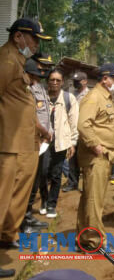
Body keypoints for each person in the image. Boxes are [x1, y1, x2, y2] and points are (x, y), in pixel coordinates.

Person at [0, 18, 51, 278]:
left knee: (16, 197)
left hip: (22, 142)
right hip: (8, 143)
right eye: (33, 39)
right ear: (18, 36)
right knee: (2, 198)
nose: (34, 45)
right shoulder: (7, 60)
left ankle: (8, 235)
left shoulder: (18, 61)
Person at [76, 63, 114, 253]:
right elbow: (83, 125)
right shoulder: (94, 97)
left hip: (103, 157)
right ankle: (95, 241)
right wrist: (96, 146)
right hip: (96, 157)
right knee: (94, 201)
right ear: (105, 79)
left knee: (90, 198)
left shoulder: (105, 97)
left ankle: (83, 237)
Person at [41, 69, 78, 219]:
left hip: (61, 142)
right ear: (48, 81)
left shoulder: (69, 99)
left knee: (56, 175)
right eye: (52, 80)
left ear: (62, 82)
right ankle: (43, 199)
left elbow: (73, 122)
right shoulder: (41, 97)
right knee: (42, 173)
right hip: (42, 142)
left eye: (58, 80)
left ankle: (51, 204)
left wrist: (73, 143)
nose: (55, 82)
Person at [20, 59, 52, 233]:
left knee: (37, 178)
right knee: (27, 182)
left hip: (42, 142)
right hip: (31, 141)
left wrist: (49, 132)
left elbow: (46, 113)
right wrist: (45, 133)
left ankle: (27, 215)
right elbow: (32, 118)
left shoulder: (40, 88)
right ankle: (22, 220)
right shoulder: (26, 90)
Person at [63, 71, 89, 192]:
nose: (75, 84)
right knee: (72, 158)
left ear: (85, 81)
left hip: (85, 132)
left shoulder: (89, 95)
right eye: (74, 82)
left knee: (85, 159)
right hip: (73, 131)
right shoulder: (71, 94)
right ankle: (72, 182)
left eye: (77, 82)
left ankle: (87, 185)